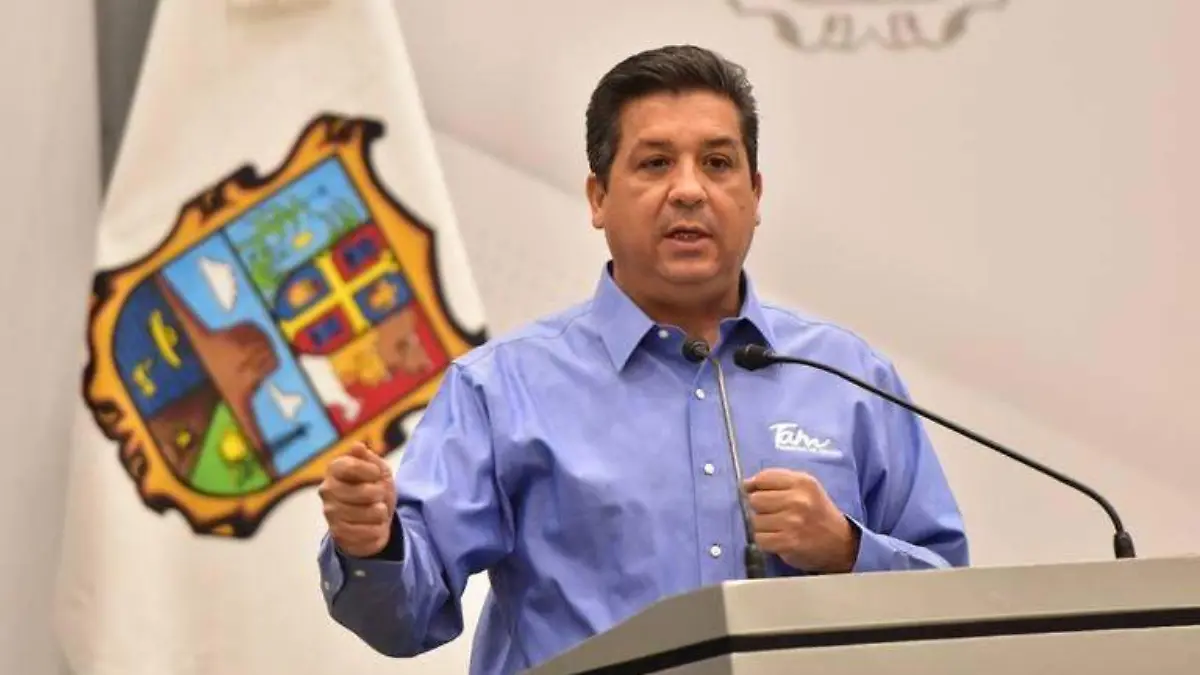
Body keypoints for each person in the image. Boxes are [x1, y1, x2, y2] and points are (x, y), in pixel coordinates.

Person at [316, 44, 969, 674]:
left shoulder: (847, 379)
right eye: (655, 163)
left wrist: (848, 550)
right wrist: (372, 542)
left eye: (717, 163)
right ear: (598, 197)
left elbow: (955, 614)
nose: (689, 190)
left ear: (755, 194)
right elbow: (405, 617)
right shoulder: (503, 388)